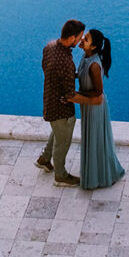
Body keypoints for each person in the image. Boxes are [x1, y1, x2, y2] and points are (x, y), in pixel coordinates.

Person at [36, 19, 101, 187]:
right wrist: (92, 100)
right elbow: (71, 96)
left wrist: (70, 77)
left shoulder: (49, 47)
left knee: (58, 132)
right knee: (63, 142)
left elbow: (49, 69)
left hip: (49, 101)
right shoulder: (65, 62)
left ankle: (44, 159)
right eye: (80, 37)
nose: (81, 40)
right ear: (72, 37)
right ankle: (60, 175)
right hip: (62, 109)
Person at [77, 28, 125, 190]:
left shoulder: (95, 66)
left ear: (93, 47)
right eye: (84, 37)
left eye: (86, 39)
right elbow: (81, 74)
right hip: (87, 105)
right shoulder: (85, 56)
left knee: (95, 139)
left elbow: (98, 92)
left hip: (95, 107)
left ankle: (100, 176)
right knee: (93, 138)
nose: (82, 39)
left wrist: (76, 94)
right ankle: (95, 173)